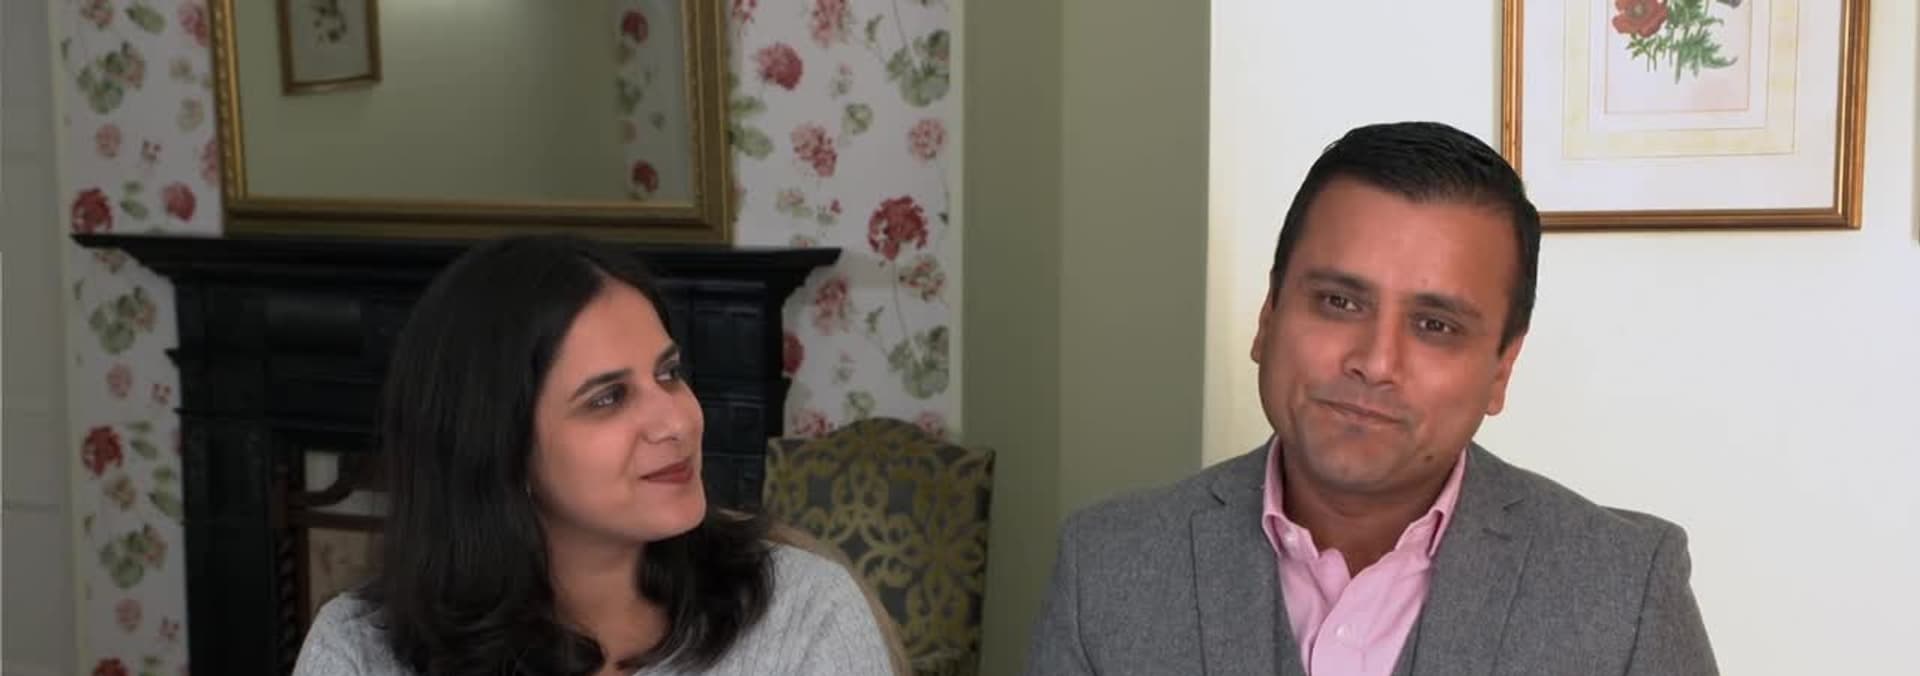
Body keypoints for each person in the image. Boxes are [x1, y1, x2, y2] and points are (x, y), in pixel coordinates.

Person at [1024, 121, 1718, 675]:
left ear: (1501, 370)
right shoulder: (1106, 565)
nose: (1375, 363)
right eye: (1338, 302)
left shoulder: (1625, 588)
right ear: (1267, 318)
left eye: (1435, 326)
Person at [291, 235, 901, 676]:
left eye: (669, 373)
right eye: (607, 398)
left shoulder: (803, 614)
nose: (676, 421)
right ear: (498, 447)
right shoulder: (359, 649)